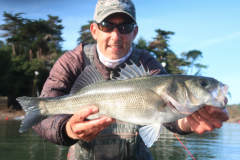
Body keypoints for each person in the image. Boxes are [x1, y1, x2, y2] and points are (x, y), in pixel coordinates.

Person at [32, 0, 229, 160]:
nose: (116, 36)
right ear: (94, 30)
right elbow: (44, 112)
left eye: (124, 27)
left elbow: (170, 121)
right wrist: (68, 129)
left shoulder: (147, 62)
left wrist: (187, 122)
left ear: (134, 32)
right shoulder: (72, 60)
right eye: (107, 26)